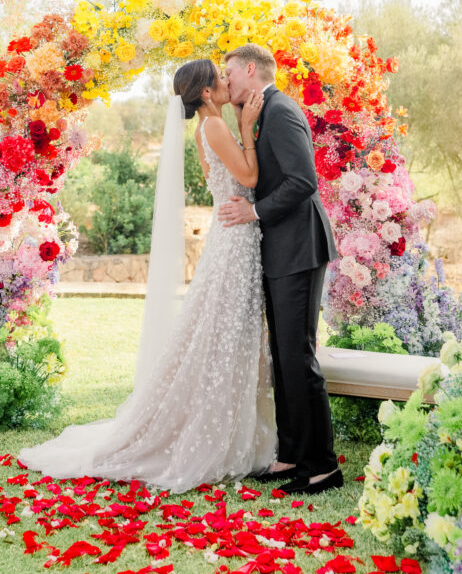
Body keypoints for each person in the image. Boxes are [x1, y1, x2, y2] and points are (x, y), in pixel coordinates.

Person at [17, 59, 277, 493]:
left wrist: (240, 125)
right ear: (208, 94)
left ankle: (234, 426)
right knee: (225, 334)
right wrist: (248, 126)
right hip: (235, 240)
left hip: (232, 238)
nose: (227, 79)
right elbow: (248, 176)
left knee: (224, 334)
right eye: (220, 77)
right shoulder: (214, 128)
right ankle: (219, 432)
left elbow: (226, 181)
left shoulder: (206, 128)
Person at [218, 44, 342, 495]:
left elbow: (304, 181)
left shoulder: (283, 110)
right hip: (280, 253)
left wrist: (254, 212)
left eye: (229, 72)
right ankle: (291, 453)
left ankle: (323, 466)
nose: (225, 79)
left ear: (250, 69)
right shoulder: (259, 111)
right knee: (284, 360)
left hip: (299, 251)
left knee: (298, 357)